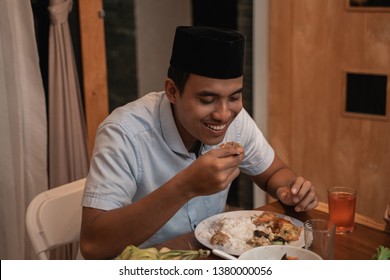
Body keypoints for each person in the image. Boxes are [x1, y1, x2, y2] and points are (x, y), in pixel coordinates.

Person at [80, 26, 318, 259]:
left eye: (234, 97)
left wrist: (289, 190)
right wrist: (185, 187)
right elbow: (93, 245)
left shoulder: (236, 120)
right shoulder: (124, 132)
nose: (224, 114)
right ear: (172, 91)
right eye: (207, 99)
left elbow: (273, 172)